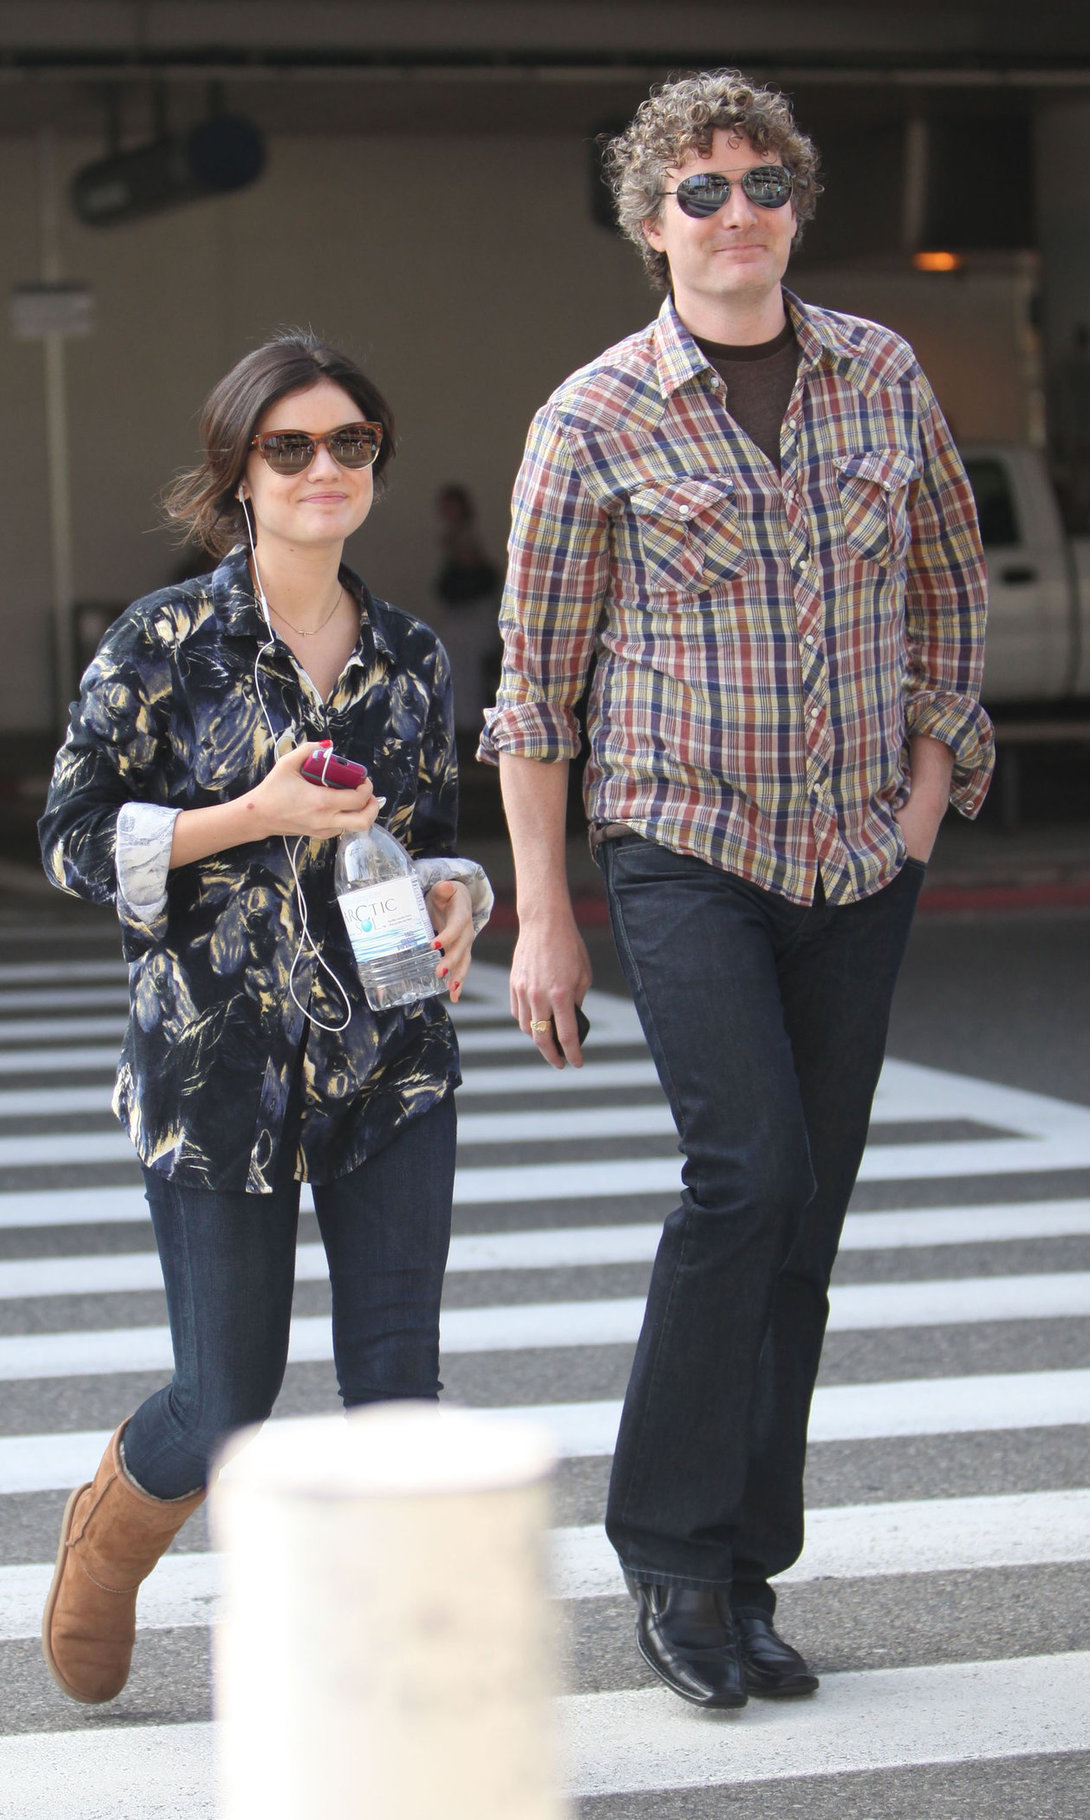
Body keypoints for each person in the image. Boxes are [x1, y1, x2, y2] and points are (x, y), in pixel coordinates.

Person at [480, 71, 992, 1708]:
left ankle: (745, 1569)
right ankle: (667, 1557)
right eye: (696, 192)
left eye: (757, 183)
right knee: (743, 1179)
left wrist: (922, 799)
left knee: (805, 1223)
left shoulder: (881, 375)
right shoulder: (592, 421)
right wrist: (542, 914)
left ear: (794, 205)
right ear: (650, 228)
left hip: (857, 859)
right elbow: (533, 689)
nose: (733, 213)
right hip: (686, 854)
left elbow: (945, 590)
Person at [37, 332, 492, 1706]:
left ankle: (389, 1701)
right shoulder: (164, 642)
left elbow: (433, 843)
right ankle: (107, 1544)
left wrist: (457, 900)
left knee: (397, 1399)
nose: (321, 470)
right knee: (228, 1407)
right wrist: (251, 815)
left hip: (387, 1059)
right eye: (288, 447)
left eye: (348, 445)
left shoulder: (408, 655)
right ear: (238, 469)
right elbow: (66, 841)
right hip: (213, 1064)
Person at [432, 482, 502, 740]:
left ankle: (471, 727)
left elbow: (476, 565)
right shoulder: (454, 535)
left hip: (474, 615)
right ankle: (463, 725)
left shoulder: (467, 536)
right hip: (460, 615)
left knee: (469, 672)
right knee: (455, 668)